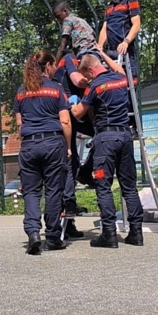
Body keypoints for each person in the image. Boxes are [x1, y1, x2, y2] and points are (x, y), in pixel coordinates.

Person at [71, 51, 145, 248]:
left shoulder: (94, 86)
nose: (87, 79)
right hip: (126, 137)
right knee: (129, 187)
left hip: (105, 140)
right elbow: (118, 67)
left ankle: (109, 234)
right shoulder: (121, 78)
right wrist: (102, 52)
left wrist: (71, 103)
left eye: (86, 75)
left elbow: (78, 113)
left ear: (90, 70)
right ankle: (136, 233)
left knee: (103, 185)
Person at [14, 50, 72, 255]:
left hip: (29, 145)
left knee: (31, 191)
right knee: (54, 190)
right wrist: (68, 146)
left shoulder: (21, 91)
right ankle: (53, 237)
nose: (55, 69)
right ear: (47, 66)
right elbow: (65, 121)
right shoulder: (57, 89)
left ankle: (33, 232)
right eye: (54, 65)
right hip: (53, 142)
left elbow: (20, 125)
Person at [53, 51, 94, 239]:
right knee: (69, 163)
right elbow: (78, 81)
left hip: (72, 112)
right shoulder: (70, 60)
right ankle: (67, 207)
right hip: (65, 115)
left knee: (102, 138)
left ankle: (68, 223)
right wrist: (95, 81)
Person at [97, 0, 142, 83]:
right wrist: (99, 47)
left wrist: (126, 42)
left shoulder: (131, 0)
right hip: (110, 52)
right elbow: (105, 27)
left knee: (128, 85)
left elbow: (137, 24)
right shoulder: (110, 6)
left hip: (125, 52)